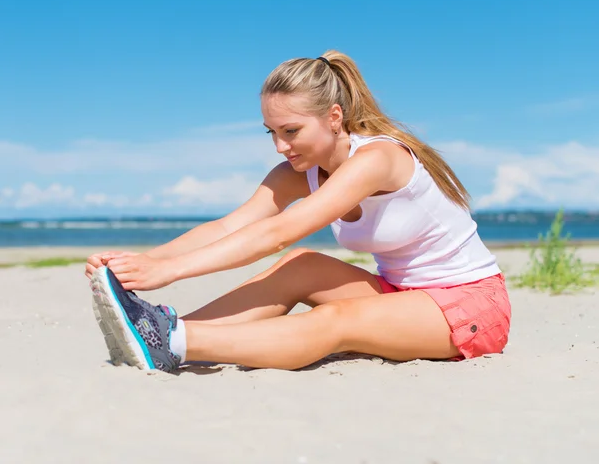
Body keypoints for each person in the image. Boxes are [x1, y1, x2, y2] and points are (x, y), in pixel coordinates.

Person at [85, 50, 511, 373]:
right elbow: (232, 224)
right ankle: (155, 337)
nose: (280, 146)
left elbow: (279, 231)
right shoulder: (298, 171)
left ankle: (177, 340)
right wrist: (145, 262)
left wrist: (172, 273)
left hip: (469, 306)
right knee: (300, 265)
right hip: (402, 296)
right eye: (272, 132)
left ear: (333, 117)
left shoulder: (378, 158)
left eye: (292, 131)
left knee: (335, 320)